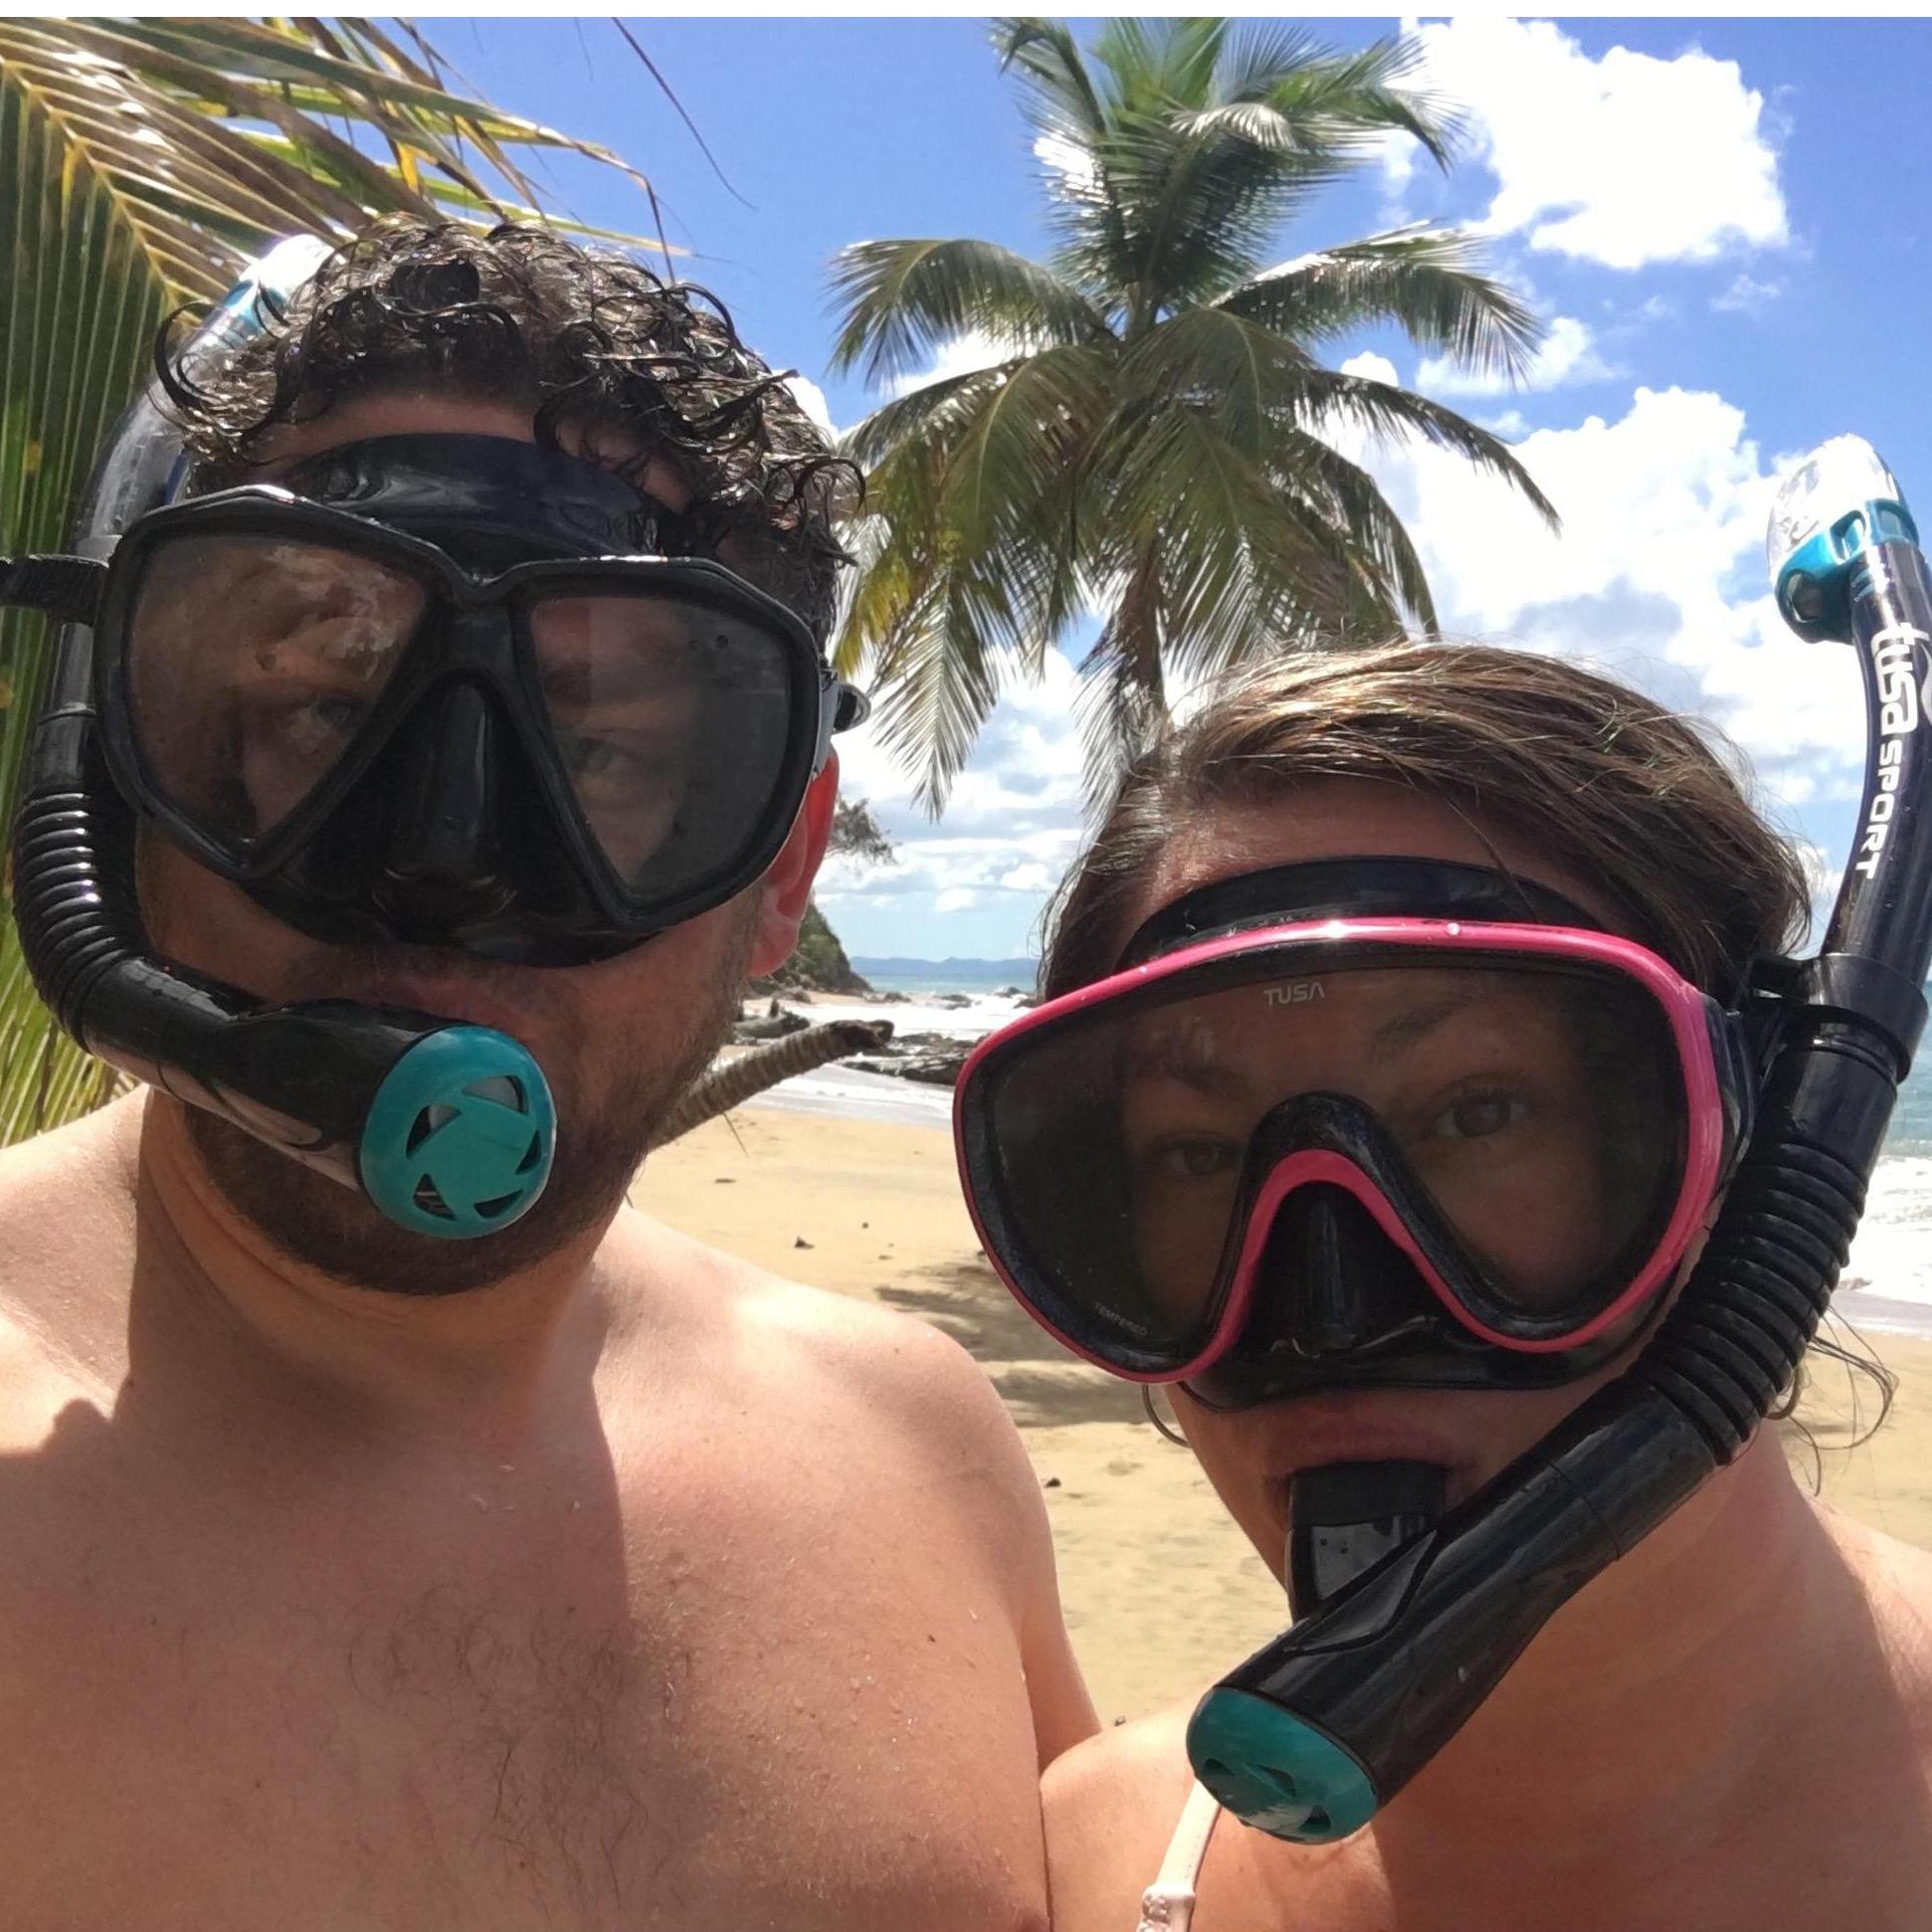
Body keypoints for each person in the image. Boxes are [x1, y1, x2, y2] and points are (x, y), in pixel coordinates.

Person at [0, 221, 1092, 1929]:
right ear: (121, 768)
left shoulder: (917, 1444)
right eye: (315, 705)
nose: (446, 865)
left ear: (782, 866)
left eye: (597, 748)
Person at [954, 643, 1932, 1931]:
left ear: (1764, 1158)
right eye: (1194, 1154)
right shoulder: (1074, 1872)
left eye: (1478, 1109)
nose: (1333, 1306)